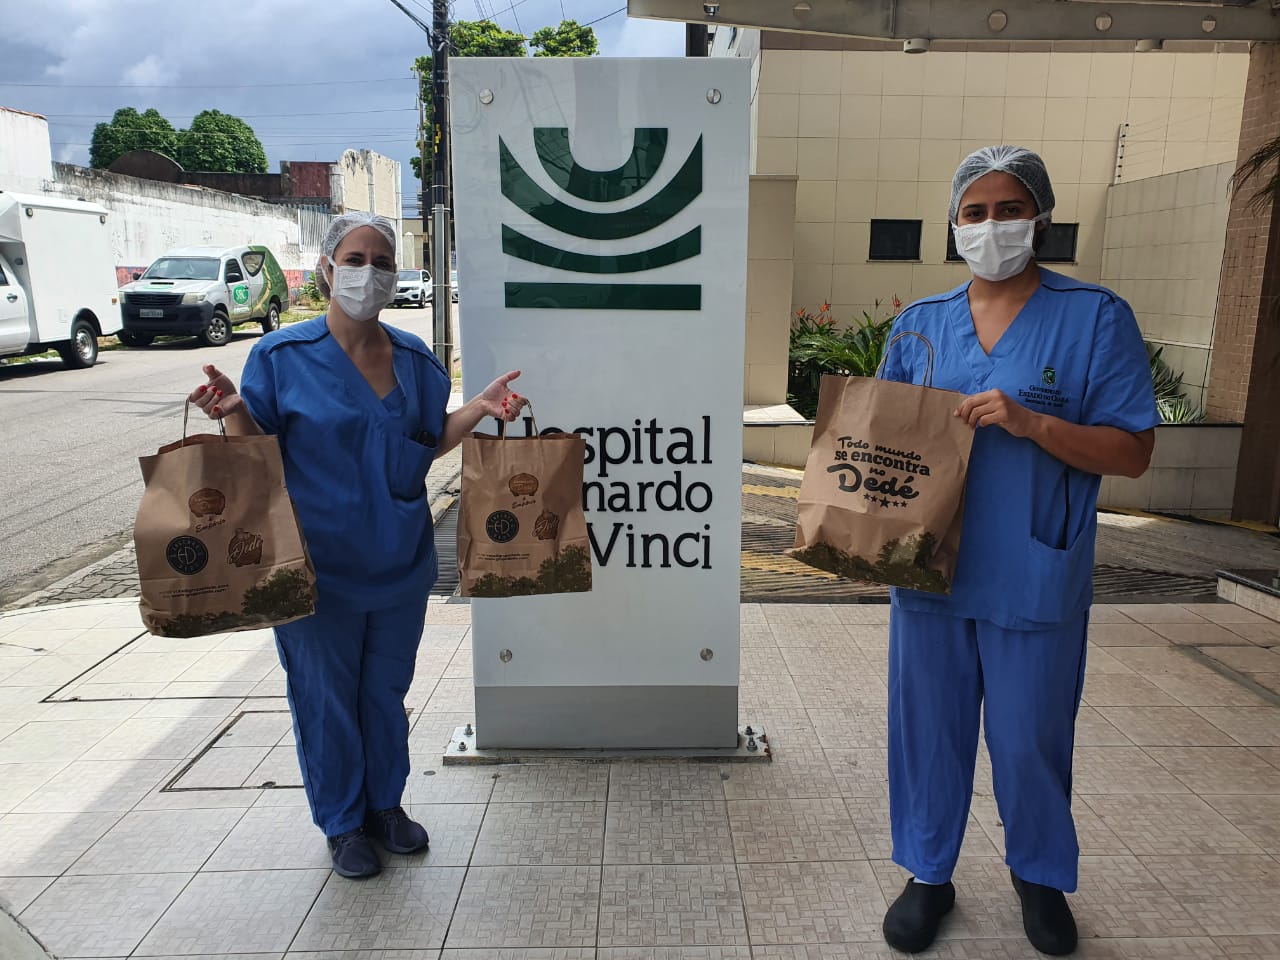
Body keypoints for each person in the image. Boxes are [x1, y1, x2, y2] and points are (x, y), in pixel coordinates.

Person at [877, 146, 1159, 956]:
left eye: (1009, 209)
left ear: (1040, 216)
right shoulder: (920, 324)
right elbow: (888, 441)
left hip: (1034, 565)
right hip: (929, 569)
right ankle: (928, 873)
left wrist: (1033, 423)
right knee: (928, 728)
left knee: (1032, 733)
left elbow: (1132, 450)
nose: (992, 225)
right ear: (954, 223)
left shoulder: (1095, 317)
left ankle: (1038, 874)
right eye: (975, 211)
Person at [188, 211, 526, 879]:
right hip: (313, 569)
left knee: (384, 692)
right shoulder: (281, 359)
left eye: (381, 260)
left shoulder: (417, 363)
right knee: (325, 696)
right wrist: (234, 413)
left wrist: (478, 408)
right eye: (356, 257)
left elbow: (427, 439)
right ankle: (343, 822)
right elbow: (256, 458)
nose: (368, 271)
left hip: (397, 565)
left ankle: (384, 807)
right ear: (326, 268)